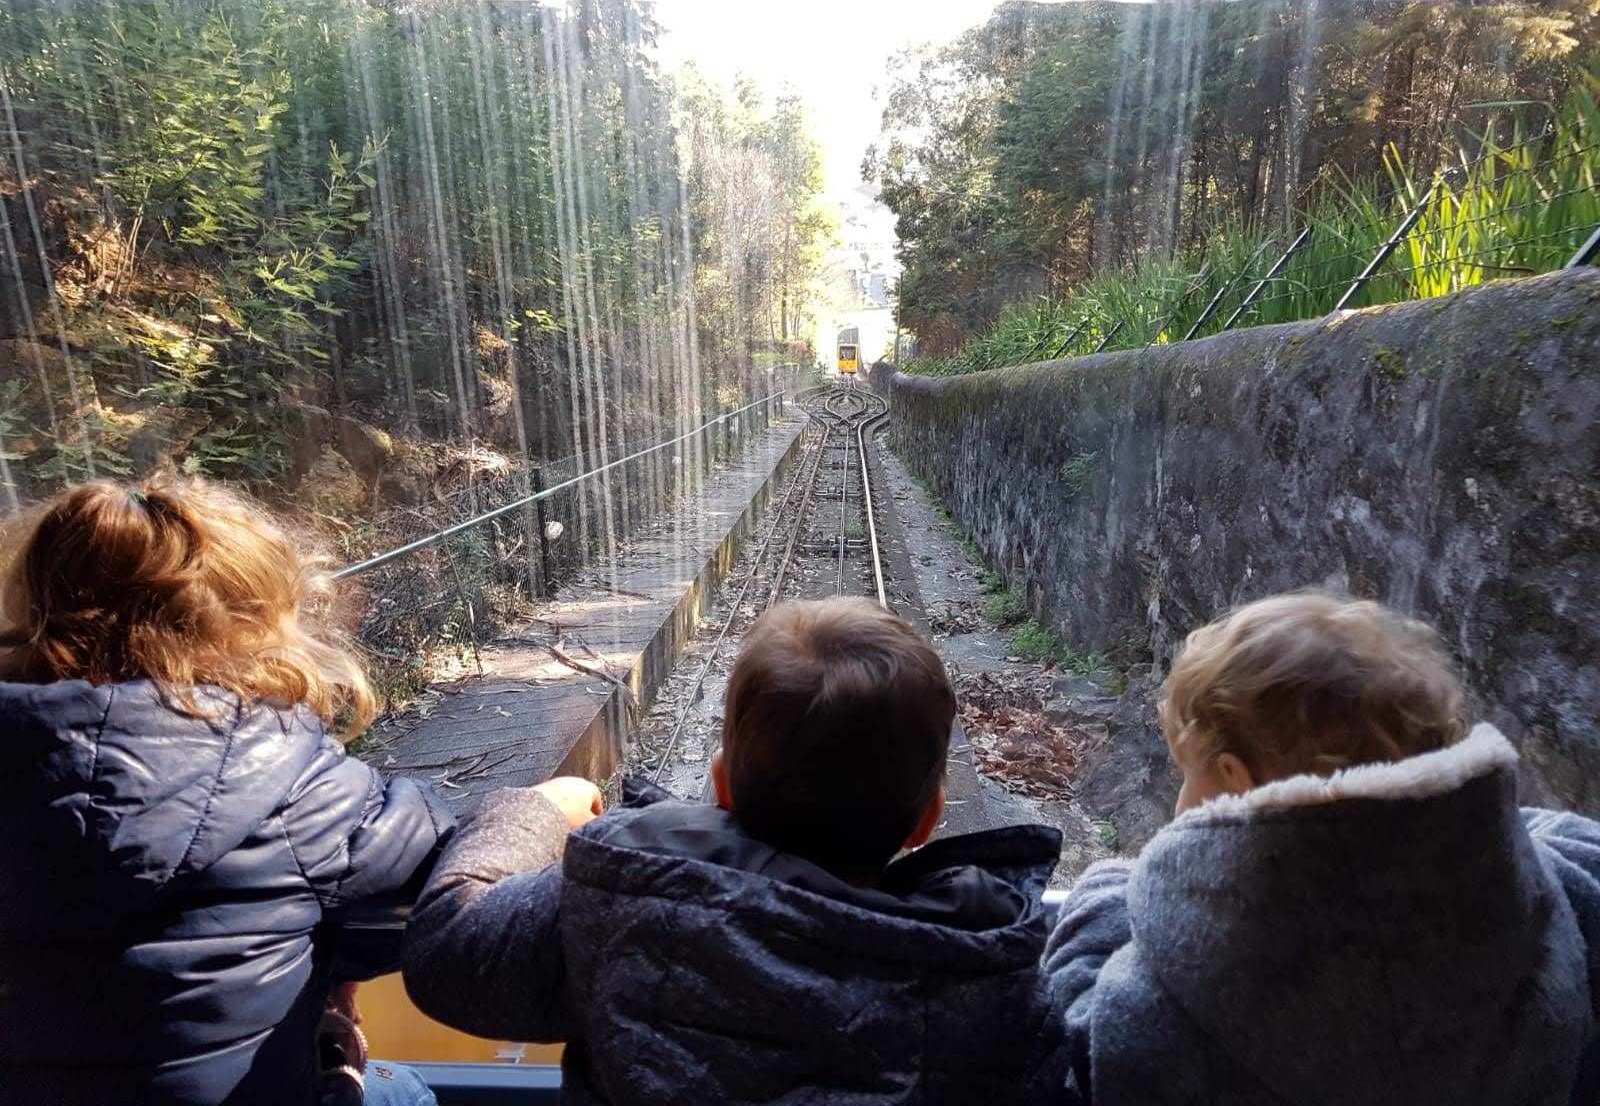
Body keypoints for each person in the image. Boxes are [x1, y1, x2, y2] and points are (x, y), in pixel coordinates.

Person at [404, 596, 1070, 1104]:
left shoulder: (625, 895)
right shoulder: (991, 972)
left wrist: (534, 810)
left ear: (719, 786)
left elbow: (448, 957)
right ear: (928, 817)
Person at [0, 476, 453, 1106]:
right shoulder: (298, 788)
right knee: (402, 1089)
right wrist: (538, 808)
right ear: (256, 624)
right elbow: (444, 863)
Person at [1045, 591, 1600, 1105]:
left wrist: (1103, 893)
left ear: (1235, 780)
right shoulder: (1551, 894)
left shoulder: (1168, 990)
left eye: (1184, 775)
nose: (1179, 803)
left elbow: (1095, 1050)